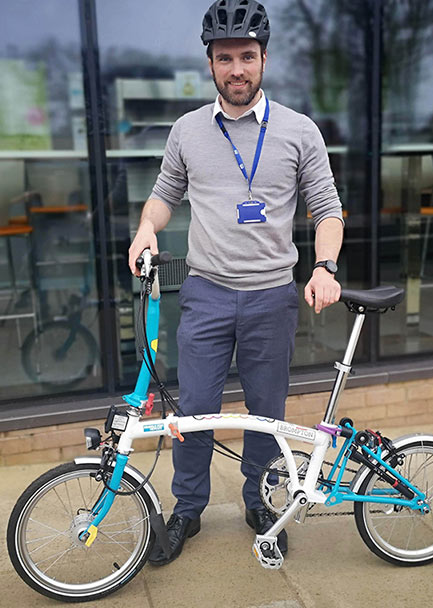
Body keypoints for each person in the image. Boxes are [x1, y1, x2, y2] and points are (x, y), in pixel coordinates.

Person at [127, 0, 344, 566]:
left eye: (247, 56)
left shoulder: (299, 131)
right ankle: (187, 510)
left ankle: (259, 500)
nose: (237, 68)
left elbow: (327, 209)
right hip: (207, 293)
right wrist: (145, 230)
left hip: (273, 295)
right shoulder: (187, 131)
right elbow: (164, 195)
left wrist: (324, 267)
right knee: (195, 409)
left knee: (266, 411)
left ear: (264, 59)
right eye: (226, 58)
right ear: (211, 64)